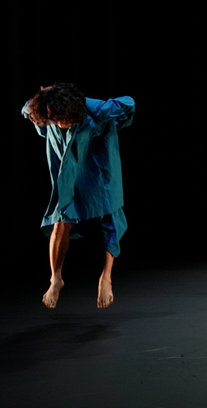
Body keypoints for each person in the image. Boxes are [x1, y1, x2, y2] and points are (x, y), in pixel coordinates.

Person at [22, 83, 135, 309]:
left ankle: (106, 278)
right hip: (70, 173)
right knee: (60, 220)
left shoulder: (94, 111)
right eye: (55, 120)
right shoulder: (49, 113)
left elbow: (129, 103)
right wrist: (45, 96)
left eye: (62, 119)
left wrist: (89, 105)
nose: (59, 124)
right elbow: (27, 109)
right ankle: (56, 279)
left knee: (109, 217)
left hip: (98, 167)